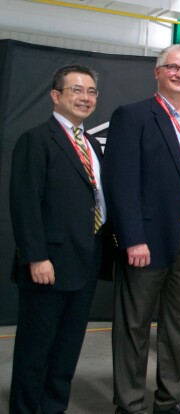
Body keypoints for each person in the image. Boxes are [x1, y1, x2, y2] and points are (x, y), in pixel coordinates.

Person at [104, 44, 180, 414]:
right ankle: (130, 404)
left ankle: (171, 400)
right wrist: (132, 238)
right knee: (134, 326)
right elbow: (120, 183)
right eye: (173, 67)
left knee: (178, 326)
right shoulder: (133, 116)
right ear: (157, 72)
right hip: (147, 240)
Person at [8, 65, 111, 414]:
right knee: (35, 351)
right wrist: (36, 257)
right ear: (56, 96)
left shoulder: (92, 143)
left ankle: (53, 408)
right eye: (77, 90)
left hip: (84, 263)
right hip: (48, 265)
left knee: (67, 350)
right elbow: (25, 204)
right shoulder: (36, 140)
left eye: (92, 91)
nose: (86, 97)